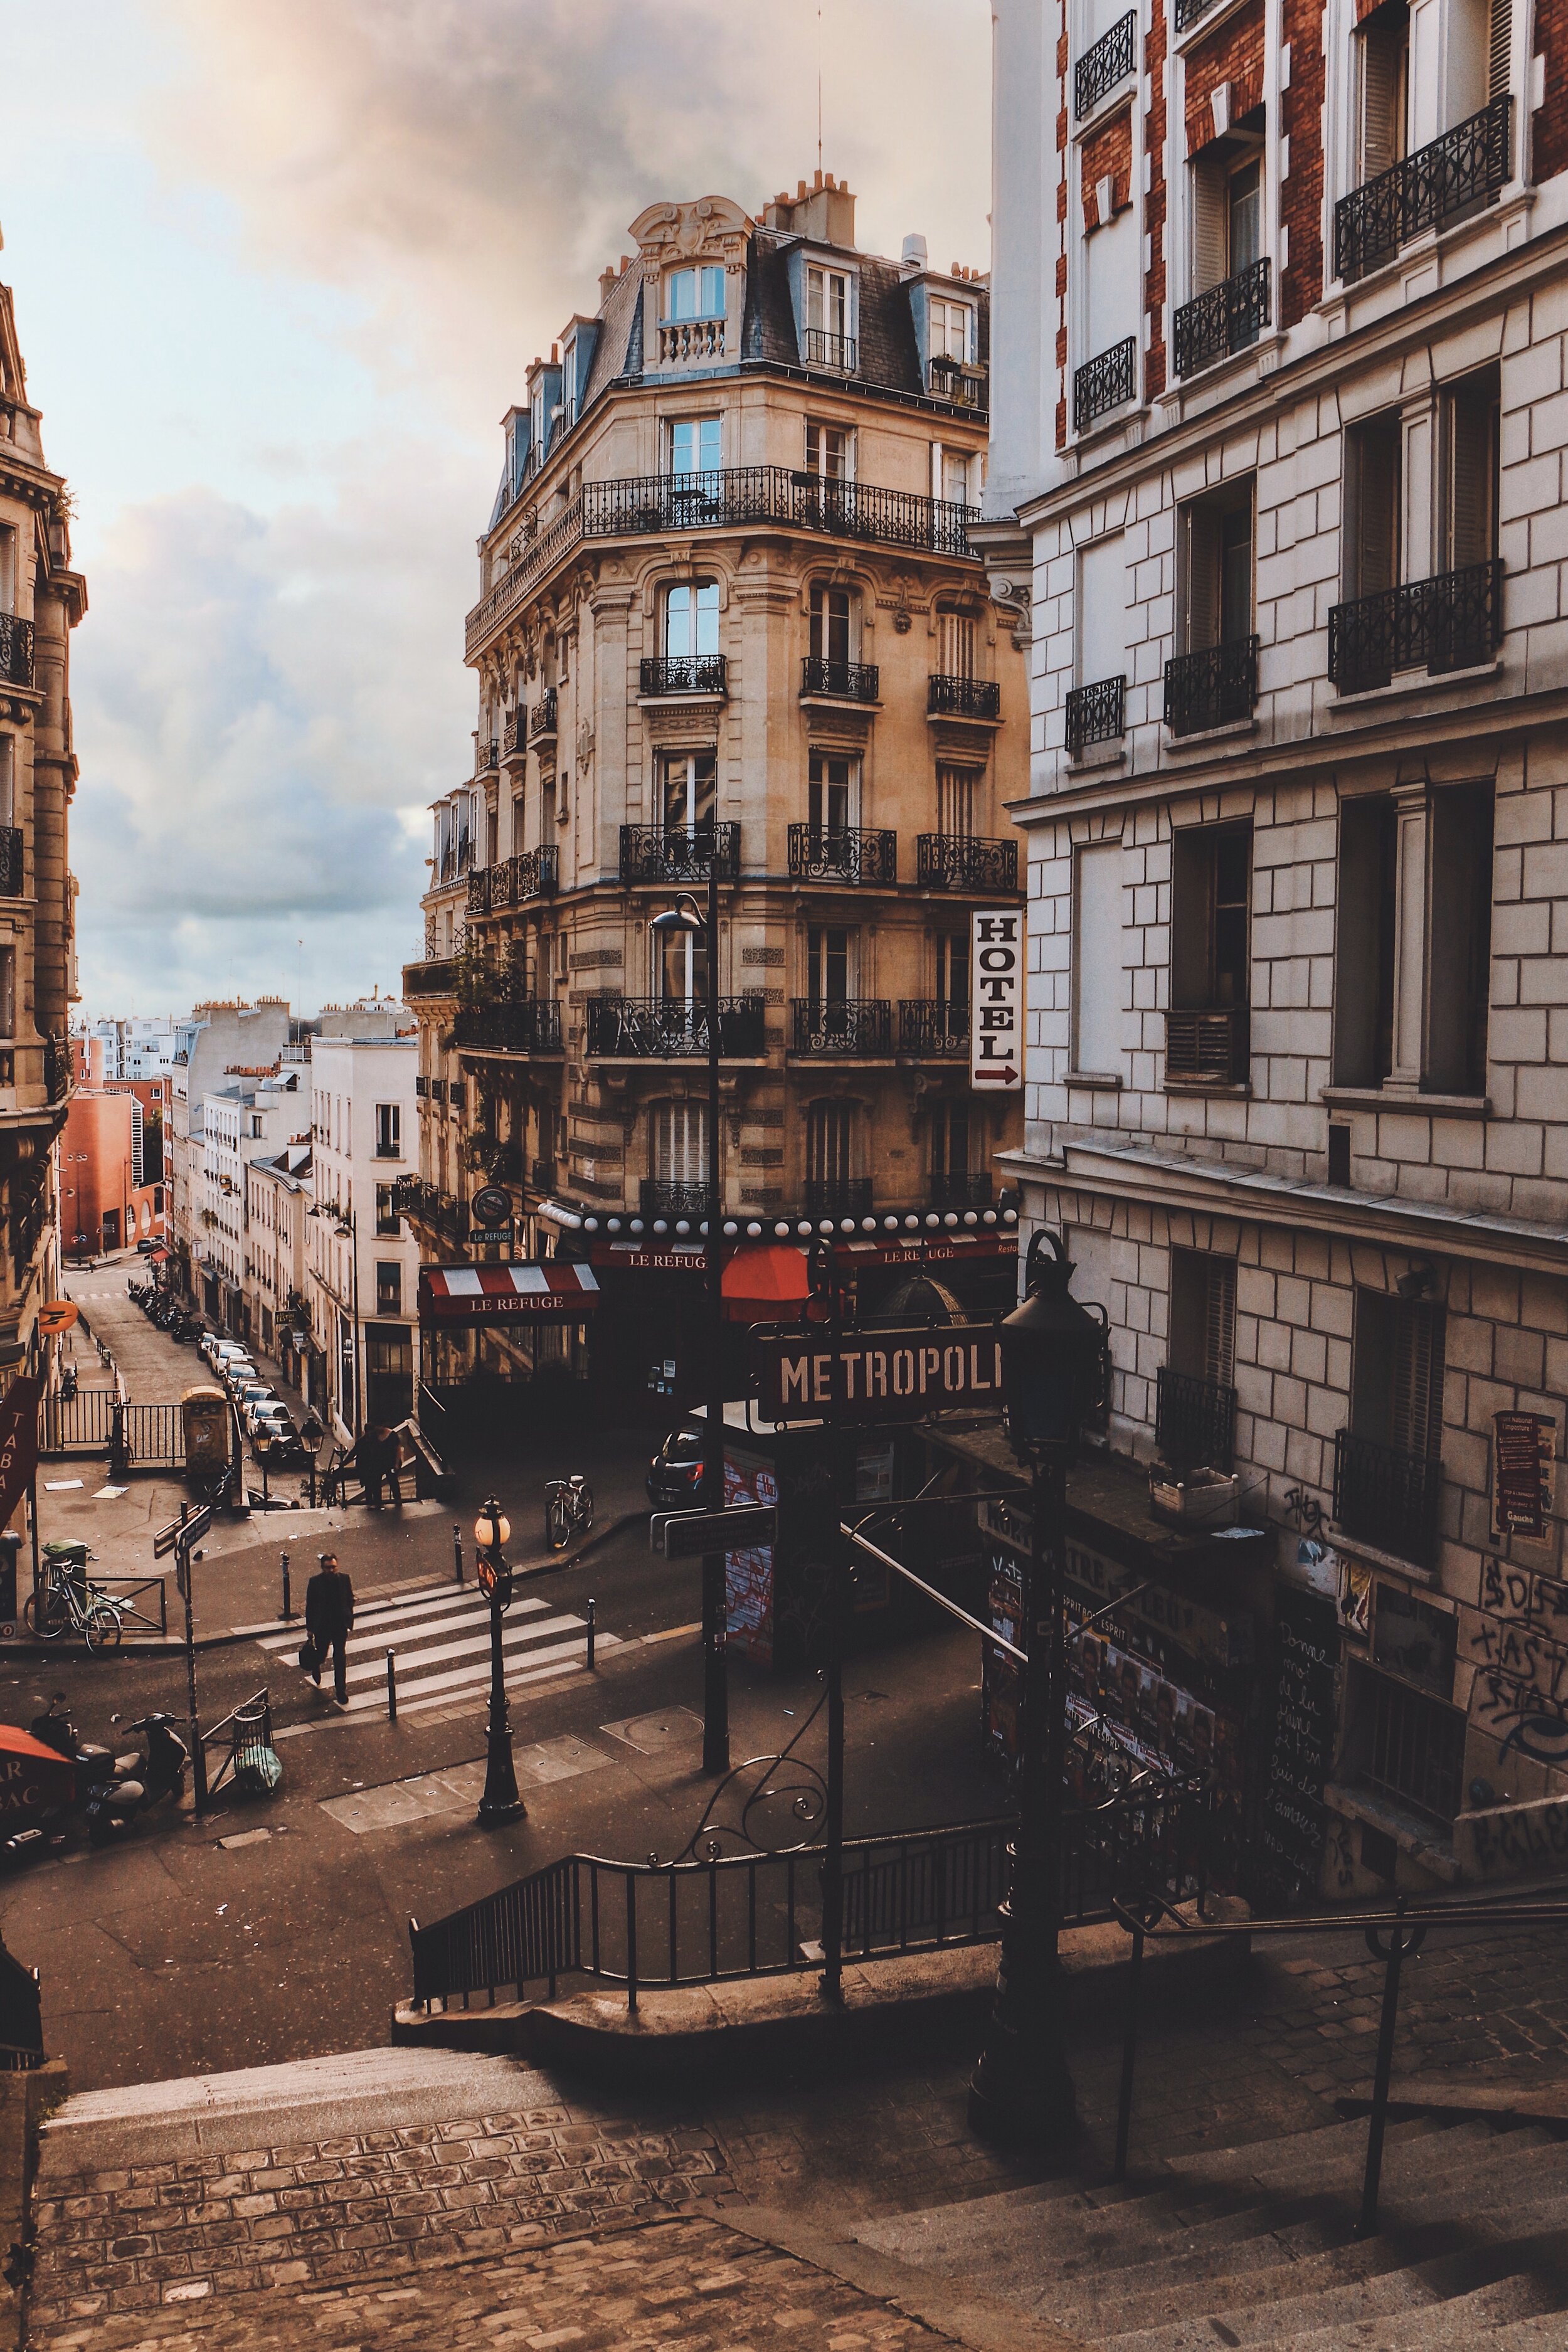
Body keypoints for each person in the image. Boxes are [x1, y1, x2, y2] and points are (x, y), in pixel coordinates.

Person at [304, 1550, 355, 1706]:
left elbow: (350, 1598)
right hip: (323, 1626)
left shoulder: (344, 1579)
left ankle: (341, 1691)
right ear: (322, 1568)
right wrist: (310, 1628)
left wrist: (348, 1616)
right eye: (328, 1568)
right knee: (321, 1655)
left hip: (339, 1625)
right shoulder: (315, 1582)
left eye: (333, 1567)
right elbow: (310, 1606)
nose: (331, 1570)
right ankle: (316, 1666)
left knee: (340, 1658)